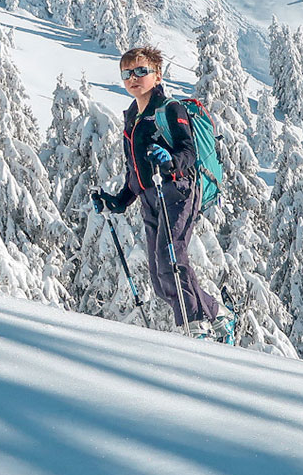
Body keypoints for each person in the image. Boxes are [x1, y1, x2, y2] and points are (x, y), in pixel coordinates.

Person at [91, 45, 220, 327]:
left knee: (170, 256)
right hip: (150, 196)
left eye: (140, 70)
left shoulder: (169, 108)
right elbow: (135, 169)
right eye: (126, 73)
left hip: (178, 190)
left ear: (157, 75)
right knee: (159, 278)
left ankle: (196, 324)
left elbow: (189, 152)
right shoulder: (132, 117)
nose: (132, 77)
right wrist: (120, 200)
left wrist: (171, 161)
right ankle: (216, 313)